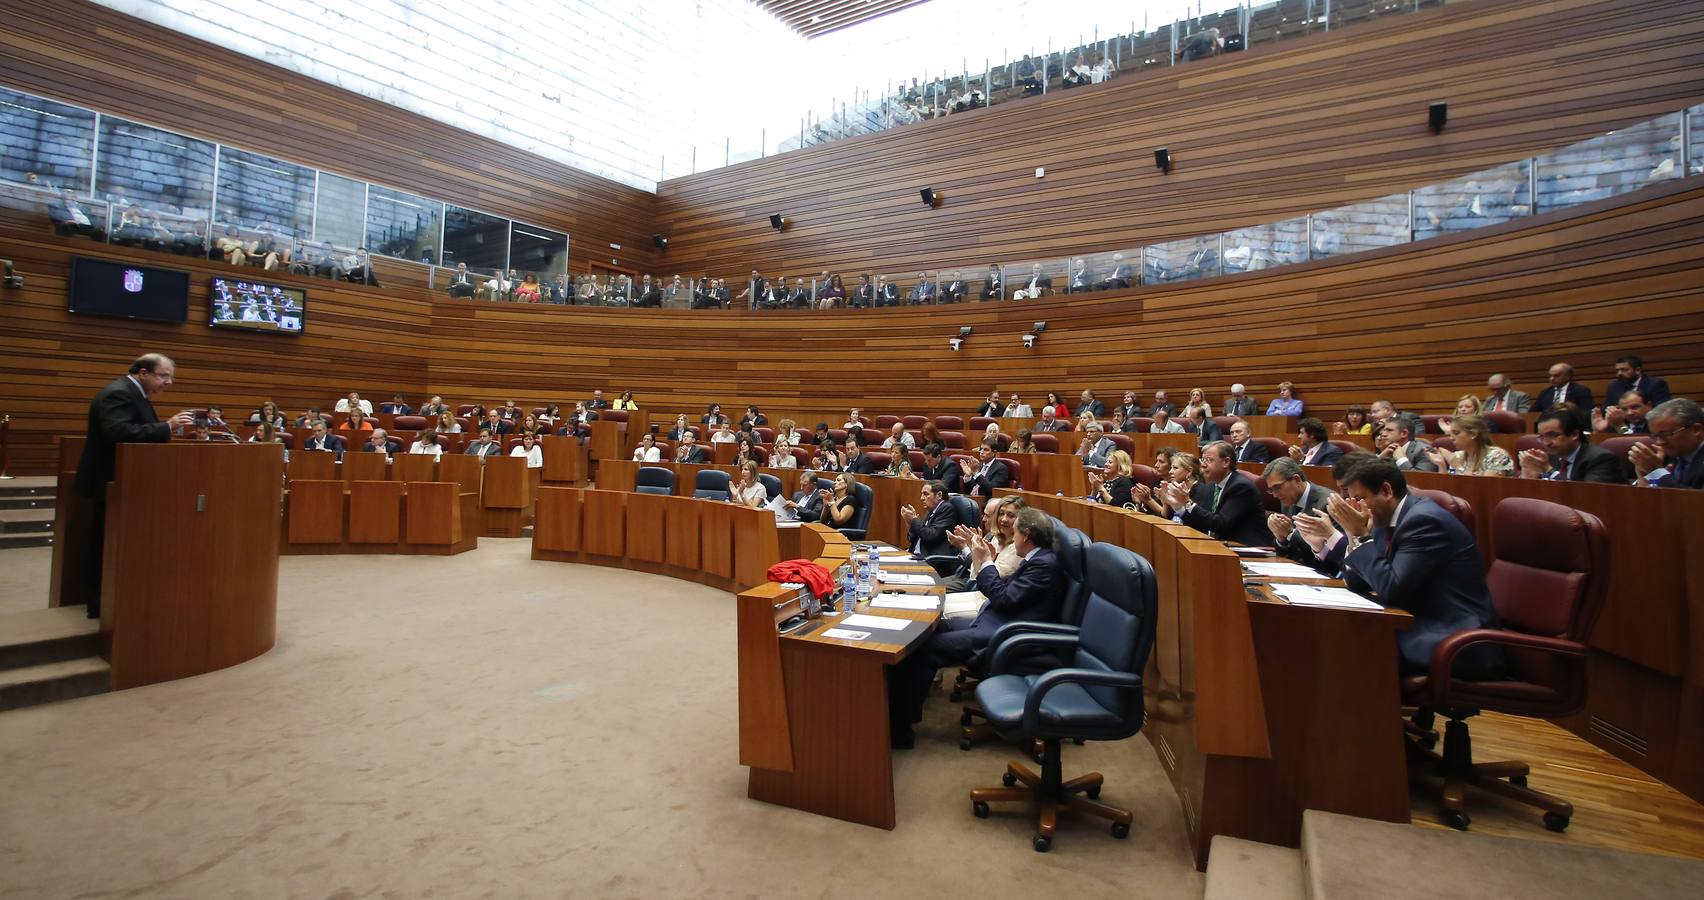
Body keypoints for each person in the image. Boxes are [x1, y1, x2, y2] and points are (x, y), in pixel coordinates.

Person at [887, 508, 1062, 748]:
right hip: (997, 621)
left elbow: (1003, 598)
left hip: (1007, 634)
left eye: (1016, 530)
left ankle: (900, 728)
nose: (1011, 533)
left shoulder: (1043, 564)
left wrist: (987, 561)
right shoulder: (1037, 558)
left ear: (1027, 535)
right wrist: (984, 559)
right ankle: (897, 714)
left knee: (928, 650)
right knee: (928, 630)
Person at [1324, 457, 1504, 678]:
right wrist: (1353, 534)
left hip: (1458, 638)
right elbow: (1357, 582)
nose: (1357, 507)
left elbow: (1390, 589)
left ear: (1387, 491)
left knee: (1354, 643)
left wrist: (1361, 537)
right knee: (1338, 631)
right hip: (1420, 623)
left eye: (1361, 498)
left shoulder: (1424, 521)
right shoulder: (1384, 518)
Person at [73, 354, 196, 617]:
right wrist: (167, 427)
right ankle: (101, 606)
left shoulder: (135, 395)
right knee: (105, 546)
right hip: (112, 482)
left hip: (127, 481)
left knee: (114, 545)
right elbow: (117, 432)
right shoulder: (118, 394)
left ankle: (110, 603)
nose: (169, 382)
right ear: (143, 373)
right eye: (164, 376)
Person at [1165, 441, 1269, 546]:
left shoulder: (1240, 487)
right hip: (1221, 546)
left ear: (1226, 462)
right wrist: (1178, 507)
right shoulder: (1211, 486)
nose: (1203, 465)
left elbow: (1220, 524)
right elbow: (1203, 521)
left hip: (1250, 550)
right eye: (1203, 459)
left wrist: (1188, 502)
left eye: (1209, 460)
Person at [1264, 457, 1337, 571]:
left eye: (1277, 487)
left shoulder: (1327, 503)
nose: (1275, 495)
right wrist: (1281, 538)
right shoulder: (1287, 500)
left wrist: (1289, 533)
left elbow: (1330, 554)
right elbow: (1288, 552)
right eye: (1271, 490)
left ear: (1297, 480)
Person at [1519, 408, 1623, 483]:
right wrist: (1528, 479)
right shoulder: (1550, 457)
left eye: (1553, 435)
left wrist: (1548, 471)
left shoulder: (1601, 459)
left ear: (1574, 434)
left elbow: (1587, 497)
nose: (1546, 443)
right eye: (1542, 437)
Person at [1628, 399, 1704, 489]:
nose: (1659, 442)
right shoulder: (1664, 456)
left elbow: (1695, 500)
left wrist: (1655, 471)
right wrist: (1644, 477)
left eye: (1666, 434)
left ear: (1696, 430)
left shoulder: (1658, 461)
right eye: (1655, 436)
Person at [1426, 414, 1513, 476]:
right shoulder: (1457, 456)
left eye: (1456, 433)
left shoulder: (1496, 455)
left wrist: (1458, 467)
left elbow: (1487, 489)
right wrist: (1441, 464)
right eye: (1450, 434)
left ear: (1473, 434)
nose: (1451, 438)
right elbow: (1448, 488)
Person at [901, 480, 961, 565]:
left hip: (931, 559)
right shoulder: (931, 511)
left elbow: (930, 536)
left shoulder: (947, 509)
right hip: (917, 555)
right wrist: (909, 523)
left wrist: (914, 520)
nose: (921, 498)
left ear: (939, 495)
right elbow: (915, 538)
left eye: (926, 494)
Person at [1133, 451, 1199, 519]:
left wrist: (1149, 500)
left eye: (1175, 468)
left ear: (1189, 471)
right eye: (1171, 468)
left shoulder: (1201, 490)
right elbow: (1167, 518)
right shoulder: (1174, 489)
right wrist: (1165, 503)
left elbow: (1197, 521)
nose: (1170, 472)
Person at [1604, 354, 1671, 410]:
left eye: (1624, 370)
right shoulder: (1614, 386)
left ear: (1638, 370)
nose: (1619, 373)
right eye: (1617, 370)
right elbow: (1605, 409)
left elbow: (1662, 410)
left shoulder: (1656, 384)